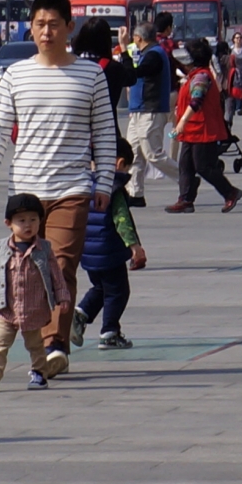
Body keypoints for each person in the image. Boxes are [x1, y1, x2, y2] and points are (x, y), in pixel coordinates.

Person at [0, 0, 114, 381]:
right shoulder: (17, 75)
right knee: (31, 270)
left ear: (69, 27)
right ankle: (43, 344)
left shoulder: (91, 74)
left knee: (61, 264)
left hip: (72, 187)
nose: (47, 32)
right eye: (40, 24)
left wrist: (103, 181)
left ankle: (55, 347)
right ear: (30, 28)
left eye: (54, 24)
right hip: (27, 190)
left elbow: (104, 132)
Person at [0, 193, 63, 390]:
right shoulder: (1, 247)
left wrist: (62, 296)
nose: (28, 225)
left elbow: (56, 274)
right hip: (6, 308)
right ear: (9, 223)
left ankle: (39, 373)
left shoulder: (44, 248)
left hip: (33, 308)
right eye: (21, 221)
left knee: (35, 345)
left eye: (33, 220)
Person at [76, 139, 148, 350]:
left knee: (100, 287)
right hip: (109, 251)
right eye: (126, 167)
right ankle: (109, 332)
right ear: (119, 163)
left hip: (88, 252)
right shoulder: (113, 187)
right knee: (118, 291)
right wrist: (134, 246)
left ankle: (80, 315)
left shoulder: (84, 184)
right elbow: (121, 219)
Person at [163, 34, 242, 212]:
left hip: (202, 128)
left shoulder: (201, 77)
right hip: (192, 129)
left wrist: (182, 121)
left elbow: (196, 101)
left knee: (204, 166)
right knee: (185, 165)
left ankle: (230, 192)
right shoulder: (193, 75)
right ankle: (186, 199)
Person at [126, 14, 176, 192]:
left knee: (153, 154)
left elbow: (135, 73)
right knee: (134, 154)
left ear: (138, 38)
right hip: (138, 110)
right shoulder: (146, 53)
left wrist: (125, 51)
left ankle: (186, 179)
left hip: (150, 110)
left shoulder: (154, 54)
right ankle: (135, 192)